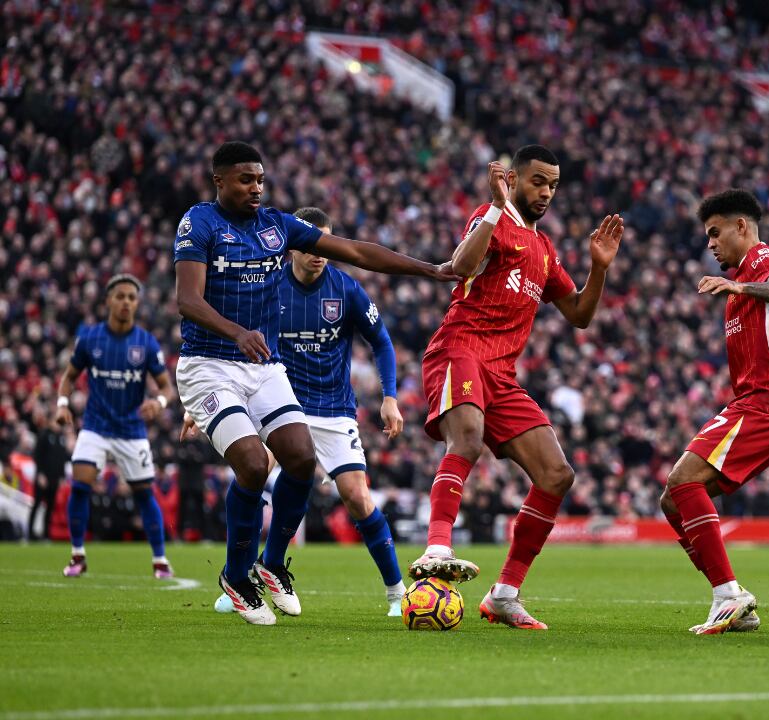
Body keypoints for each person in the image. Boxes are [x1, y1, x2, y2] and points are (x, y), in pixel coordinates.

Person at [173, 141, 454, 625]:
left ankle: (273, 564)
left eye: (260, 179)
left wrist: (429, 269)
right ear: (219, 180)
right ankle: (237, 577)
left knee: (301, 458)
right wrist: (239, 332)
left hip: (262, 367)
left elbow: (355, 251)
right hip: (209, 363)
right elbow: (187, 300)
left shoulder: (277, 227)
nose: (256, 188)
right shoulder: (198, 224)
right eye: (245, 180)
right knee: (254, 463)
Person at [407, 145, 624, 630]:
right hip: (460, 349)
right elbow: (460, 268)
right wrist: (495, 206)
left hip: (502, 375)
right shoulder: (491, 219)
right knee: (466, 438)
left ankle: (504, 594)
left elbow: (580, 316)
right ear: (515, 179)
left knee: (556, 475)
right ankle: (437, 547)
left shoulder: (545, 250)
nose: (545, 192)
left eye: (553, 185)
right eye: (537, 182)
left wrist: (599, 268)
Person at [197, 206, 408, 617]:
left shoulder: (345, 290)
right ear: (292, 246)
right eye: (309, 244)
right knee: (252, 470)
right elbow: (230, 338)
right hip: (280, 405)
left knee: (358, 497)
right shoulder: (270, 286)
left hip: (333, 408)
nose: (317, 252)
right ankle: (239, 574)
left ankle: (397, 593)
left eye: (324, 243)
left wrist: (390, 396)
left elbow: (381, 341)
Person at [659, 189, 769, 635]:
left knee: (684, 482)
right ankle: (732, 600)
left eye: (715, 232)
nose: (710, 244)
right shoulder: (742, 277)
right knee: (672, 499)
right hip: (752, 404)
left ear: (742, 227)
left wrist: (738, 285)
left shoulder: (762, 260)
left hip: (768, 402)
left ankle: (728, 594)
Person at [53, 274, 175, 578]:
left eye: (132, 298)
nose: (126, 302)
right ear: (108, 300)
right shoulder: (90, 339)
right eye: (120, 296)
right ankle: (77, 555)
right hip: (95, 426)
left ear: (137, 304)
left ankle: (160, 560)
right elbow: (68, 377)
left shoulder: (145, 342)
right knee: (79, 486)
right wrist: (63, 404)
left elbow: (166, 387)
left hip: (131, 430)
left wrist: (158, 403)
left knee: (144, 494)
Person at [29, 409, 70, 541]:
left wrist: (62, 477)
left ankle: (46, 534)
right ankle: (30, 534)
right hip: (43, 478)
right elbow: (37, 456)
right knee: (37, 505)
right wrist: (40, 474)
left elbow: (62, 459)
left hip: (55, 479)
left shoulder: (61, 438)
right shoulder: (44, 435)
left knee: (50, 507)